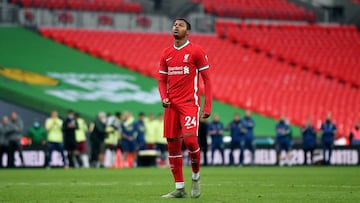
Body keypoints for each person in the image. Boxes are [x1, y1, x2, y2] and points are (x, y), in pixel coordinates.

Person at [158, 18, 212, 198]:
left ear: (188, 31)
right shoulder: (166, 53)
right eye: (174, 24)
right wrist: (163, 97)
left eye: (180, 25)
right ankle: (179, 188)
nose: (176, 26)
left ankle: (196, 176)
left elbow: (207, 80)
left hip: (189, 103)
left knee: (190, 142)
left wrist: (207, 105)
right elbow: (161, 80)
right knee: (172, 145)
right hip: (171, 105)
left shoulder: (196, 51)